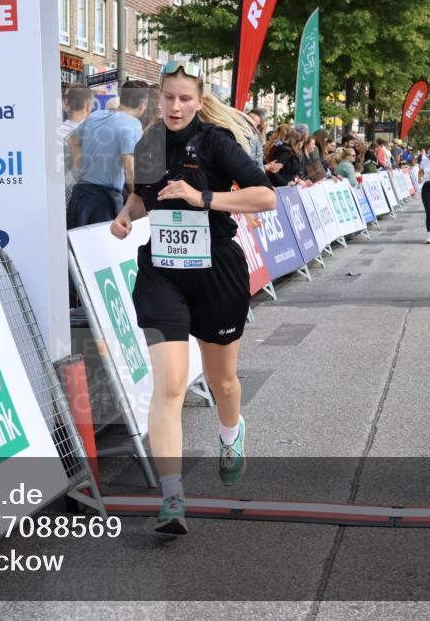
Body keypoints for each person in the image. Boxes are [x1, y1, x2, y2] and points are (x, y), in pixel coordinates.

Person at [111, 60, 275, 535]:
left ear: (199, 101)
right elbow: (145, 197)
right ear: (157, 100)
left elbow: (265, 197)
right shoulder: (148, 143)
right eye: (168, 98)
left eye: (185, 98)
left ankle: (231, 432)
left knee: (224, 383)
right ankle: (172, 498)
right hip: (162, 272)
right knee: (170, 386)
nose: (176, 106)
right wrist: (126, 216)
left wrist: (203, 198)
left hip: (215, 270)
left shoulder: (218, 143)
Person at [66, 80, 148, 229]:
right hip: (104, 201)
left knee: (77, 249)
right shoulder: (133, 124)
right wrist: (137, 197)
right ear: (143, 104)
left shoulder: (95, 116)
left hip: (80, 195)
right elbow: (129, 167)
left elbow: (72, 139)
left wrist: (80, 165)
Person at [59, 84, 94, 202]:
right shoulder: (95, 134)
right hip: (88, 200)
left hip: (61, 200)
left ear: (67, 104)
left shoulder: (54, 134)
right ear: (89, 105)